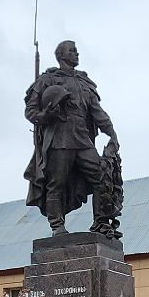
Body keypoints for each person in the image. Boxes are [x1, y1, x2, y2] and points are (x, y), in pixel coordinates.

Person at [23, 40, 123, 238]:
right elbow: (31, 111)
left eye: (76, 50)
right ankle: (57, 226)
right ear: (61, 55)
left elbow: (96, 111)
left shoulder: (84, 82)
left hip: (82, 138)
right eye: (72, 51)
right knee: (56, 183)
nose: (76, 53)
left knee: (102, 177)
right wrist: (46, 115)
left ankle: (101, 223)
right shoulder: (47, 80)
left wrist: (111, 132)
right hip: (59, 139)